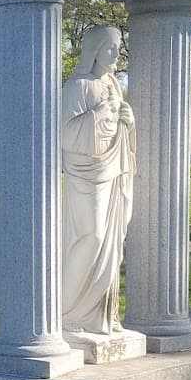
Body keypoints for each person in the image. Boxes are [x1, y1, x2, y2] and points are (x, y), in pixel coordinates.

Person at [61, 25, 136, 335]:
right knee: (90, 236)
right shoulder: (77, 86)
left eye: (118, 48)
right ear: (93, 50)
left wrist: (128, 122)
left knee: (112, 242)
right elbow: (66, 135)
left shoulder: (113, 84)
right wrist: (102, 114)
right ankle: (68, 312)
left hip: (113, 170)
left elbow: (120, 129)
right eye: (109, 48)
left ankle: (101, 317)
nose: (116, 54)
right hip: (85, 174)